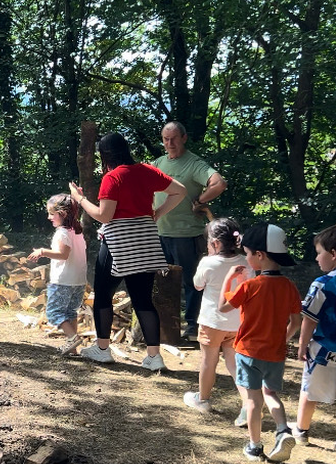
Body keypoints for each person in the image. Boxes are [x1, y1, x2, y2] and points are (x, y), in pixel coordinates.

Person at [69, 132, 186, 370]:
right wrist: (159, 212)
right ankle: (154, 357)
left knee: (103, 295)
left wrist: (79, 199)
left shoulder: (112, 177)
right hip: (145, 241)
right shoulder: (146, 170)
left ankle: (102, 349)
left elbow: (104, 215)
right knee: (143, 299)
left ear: (105, 155)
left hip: (118, 242)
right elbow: (180, 190)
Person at [219, 222, 302, 462]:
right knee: (271, 394)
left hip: (248, 352)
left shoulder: (249, 285)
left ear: (260, 255)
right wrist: (282, 340)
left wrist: (229, 279)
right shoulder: (289, 286)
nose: (246, 258)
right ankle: (283, 430)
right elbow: (295, 322)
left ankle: (255, 447)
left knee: (254, 400)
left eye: (247, 254)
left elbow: (223, 307)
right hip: (275, 354)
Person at [153, 121, 228, 342]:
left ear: (184, 138)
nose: (170, 143)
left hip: (186, 234)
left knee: (191, 282)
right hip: (160, 233)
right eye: (166, 139)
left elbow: (219, 183)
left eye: (174, 138)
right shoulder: (158, 162)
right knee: (162, 280)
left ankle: (192, 327)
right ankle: (165, 325)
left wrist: (200, 200)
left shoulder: (194, 163)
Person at [183, 218, 250, 417]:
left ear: (215, 243)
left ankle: (202, 399)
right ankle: (248, 404)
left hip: (212, 322)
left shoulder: (208, 262)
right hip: (237, 322)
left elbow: (197, 285)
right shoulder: (246, 262)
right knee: (235, 362)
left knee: (208, 361)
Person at [290, 224, 336, 446]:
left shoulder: (322, 284)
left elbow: (309, 319)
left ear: (333, 254)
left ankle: (301, 430)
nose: (317, 259)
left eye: (319, 253)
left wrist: (301, 345)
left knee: (309, 390)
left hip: (322, 349)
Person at [28, 194, 87, 355]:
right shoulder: (77, 231)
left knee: (54, 313)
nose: (49, 217)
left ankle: (73, 338)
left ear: (63, 214)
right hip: (79, 281)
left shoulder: (62, 233)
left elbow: (63, 254)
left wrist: (42, 251)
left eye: (51, 213)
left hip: (63, 281)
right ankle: (73, 350)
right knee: (70, 313)